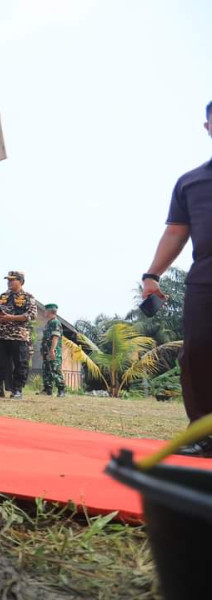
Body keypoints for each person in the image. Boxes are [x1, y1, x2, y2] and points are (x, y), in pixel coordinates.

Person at [142, 99, 212, 457]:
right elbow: (175, 232)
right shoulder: (192, 182)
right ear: (208, 128)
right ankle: (203, 436)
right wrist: (152, 274)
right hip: (205, 277)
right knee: (197, 354)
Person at [0, 271, 37, 399]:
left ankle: (17, 390)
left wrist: (11, 318)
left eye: (12, 280)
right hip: (3, 335)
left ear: (20, 281)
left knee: (20, 364)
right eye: (8, 280)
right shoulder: (3, 296)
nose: (9, 282)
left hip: (19, 336)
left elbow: (31, 315)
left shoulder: (28, 297)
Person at [40, 304, 66, 397]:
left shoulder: (55, 322)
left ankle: (61, 390)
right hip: (46, 351)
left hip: (53, 351)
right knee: (46, 370)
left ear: (49, 311)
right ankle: (47, 389)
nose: (44, 312)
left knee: (55, 370)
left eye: (45, 310)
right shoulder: (49, 323)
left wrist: (52, 350)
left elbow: (55, 337)